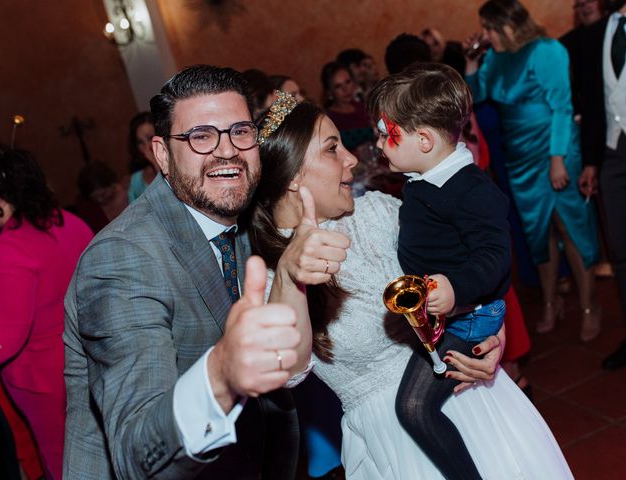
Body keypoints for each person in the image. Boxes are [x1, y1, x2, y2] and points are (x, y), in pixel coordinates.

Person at [250, 92, 573, 479]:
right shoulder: (268, 273)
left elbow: (468, 264)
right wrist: (290, 274)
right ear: (292, 176)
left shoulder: (379, 212)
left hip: (473, 395)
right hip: (394, 441)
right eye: (333, 149)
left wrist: (490, 333)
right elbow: (287, 372)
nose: (352, 159)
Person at [62, 65, 316, 480]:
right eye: (200, 136)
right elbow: (136, 451)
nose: (227, 150)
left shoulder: (237, 211)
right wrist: (219, 375)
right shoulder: (122, 259)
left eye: (240, 131)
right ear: (162, 154)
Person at [368, 63, 510, 479]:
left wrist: (457, 286)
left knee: (413, 407)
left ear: (424, 139)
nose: (378, 143)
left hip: (468, 317)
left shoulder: (471, 190)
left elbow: (495, 255)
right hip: (447, 312)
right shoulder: (423, 177)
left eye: (384, 132)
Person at [465, 0, 601, 341]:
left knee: (571, 228)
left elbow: (562, 107)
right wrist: (471, 63)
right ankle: (550, 302)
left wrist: (557, 158)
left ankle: (589, 305)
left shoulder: (547, 50)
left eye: (490, 27)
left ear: (509, 25)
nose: (485, 34)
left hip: (555, 147)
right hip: (519, 158)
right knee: (539, 233)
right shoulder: (495, 56)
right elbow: (476, 94)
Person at [0, 147, 93, 480]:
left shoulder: (6, 249)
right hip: (89, 359)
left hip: (45, 382)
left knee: (66, 465)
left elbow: (2, 339)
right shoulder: (67, 221)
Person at [576, 0, 626, 368]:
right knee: (621, 252)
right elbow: (594, 102)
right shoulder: (594, 34)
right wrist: (592, 161)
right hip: (613, 154)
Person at [321, 61, 375, 153]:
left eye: (348, 82)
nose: (345, 89)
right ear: (329, 92)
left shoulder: (361, 106)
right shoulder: (328, 119)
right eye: (338, 86)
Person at [127, 112, 159, 203]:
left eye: (150, 138)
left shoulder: (180, 167)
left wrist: (157, 166)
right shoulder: (136, 180)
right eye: (140, 142)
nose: (147, 146)